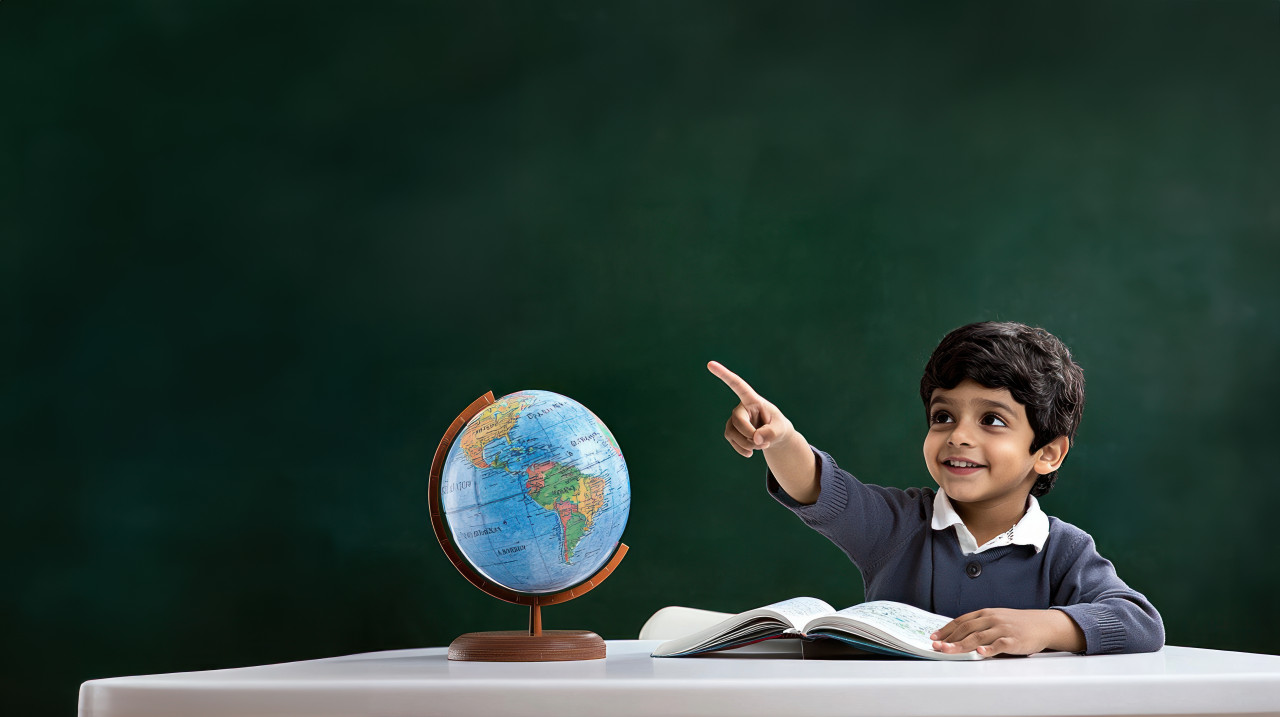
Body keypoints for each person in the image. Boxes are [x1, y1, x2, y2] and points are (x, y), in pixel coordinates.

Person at [708, 321, 1164, 656]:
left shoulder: (1063, 550)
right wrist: (782, 440)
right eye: (943, 416)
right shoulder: (898, 525)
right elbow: (822, 491)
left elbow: (1141, 623)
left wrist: (1048, 627)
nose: (958, 435)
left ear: (1047, 452)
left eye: (992, 420)